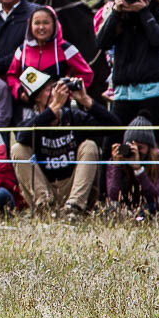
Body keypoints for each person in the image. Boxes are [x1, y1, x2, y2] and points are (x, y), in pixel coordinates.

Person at [12, 76, 121, 217]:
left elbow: (115, 127)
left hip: (73, 187)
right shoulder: (32, 121)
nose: (56, 93)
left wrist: (86, 100)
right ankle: (44, 207)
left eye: (57, 88)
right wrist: (53, 108)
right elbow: (21, 137)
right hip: (46, 188)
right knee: (18, 149)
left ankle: (73, 208)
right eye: (50, 90)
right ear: (37, 98)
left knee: (89, 146)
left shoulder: (74, 117)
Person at [95, 0, 159, 130]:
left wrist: (144, 12)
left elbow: (157, 39)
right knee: (113, 143)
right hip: (124, 93)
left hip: (153, 93)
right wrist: (116, 13)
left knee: (151, 145)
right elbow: (102, 42)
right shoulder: (121, 15)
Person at [6, 6, 93, 120]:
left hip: (59, 110)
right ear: (30, 25)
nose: (41, 27)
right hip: (28, 111)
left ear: (55, 25)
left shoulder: (66, 49)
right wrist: (19, 91)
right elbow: (12, 75)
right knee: (29, 137)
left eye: (46, 23)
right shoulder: (22, 50)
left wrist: (66, 93)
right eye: (37, 23)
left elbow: (86, 74)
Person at [105, 114, 159, 214]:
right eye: (132, 147)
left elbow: (157, 198)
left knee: (154, 207)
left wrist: (138, 170)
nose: (136, 152)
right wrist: (116, 166)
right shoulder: (118, 159)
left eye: (140, 148)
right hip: (125, 209)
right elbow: (113, 197)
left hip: (150, 207)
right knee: (111, 208)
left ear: (150, 148)